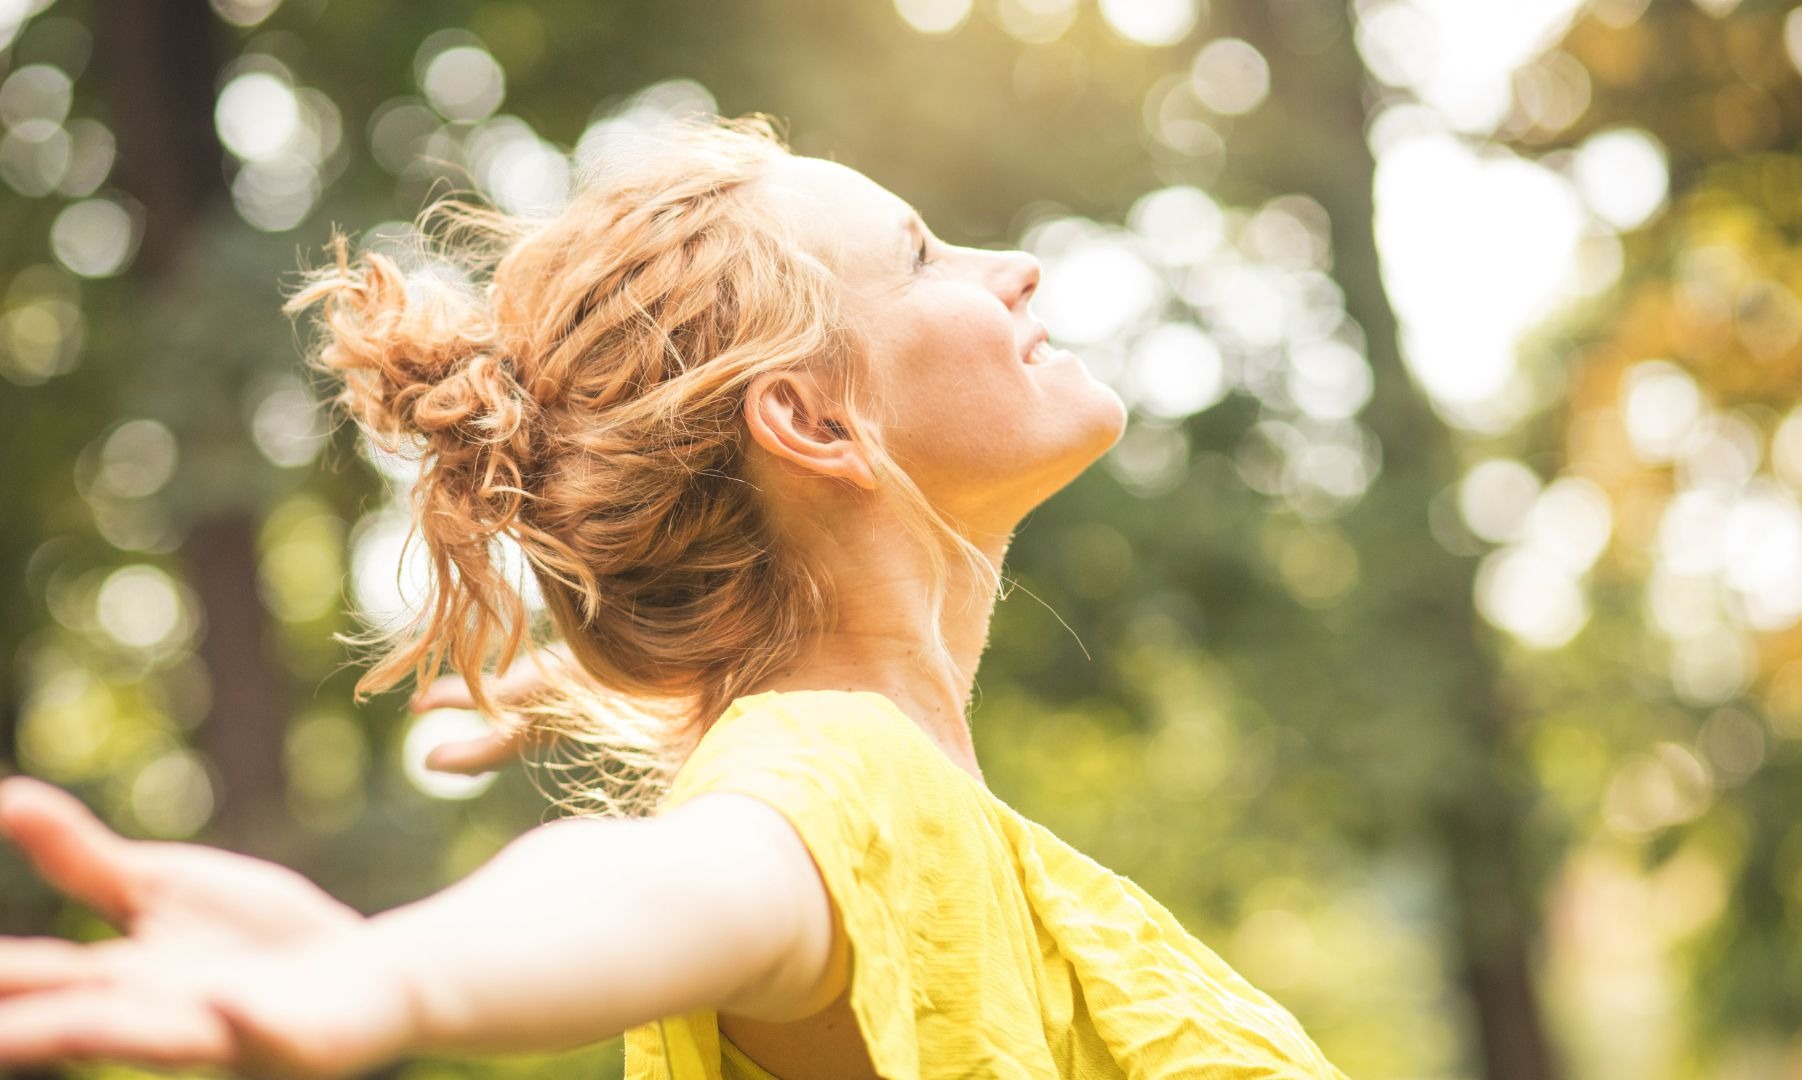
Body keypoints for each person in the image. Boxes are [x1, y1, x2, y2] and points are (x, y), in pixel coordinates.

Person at [0, 113, 1351, 1080]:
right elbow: (675, 883)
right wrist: (395, 968)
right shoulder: (842, 775)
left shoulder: (896, 798)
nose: (1016, 267)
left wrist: (580, 684)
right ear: (812, 421)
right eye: (924, 256)